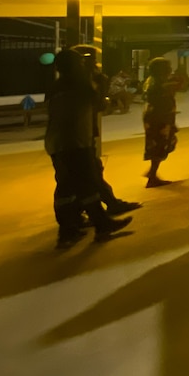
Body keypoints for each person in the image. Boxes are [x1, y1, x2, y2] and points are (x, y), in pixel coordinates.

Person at [45, 49, 132, 248]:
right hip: (75, 141)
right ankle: (100, 225)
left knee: (65, 186)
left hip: (56, 142)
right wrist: (99, 81)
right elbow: (100, 104)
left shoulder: (55, 86)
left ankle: (68, 230)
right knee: (88, 182)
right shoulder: (80, 85)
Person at [142, 57, 179, 188]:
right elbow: (160, 101)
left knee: (162, 144)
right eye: (167, 67)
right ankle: (152, 175)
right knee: (160, 144)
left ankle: (152, 172)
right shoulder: (157, 83)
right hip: (159, 119)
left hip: (157, 118)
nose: (170, 69)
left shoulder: (153, 81)